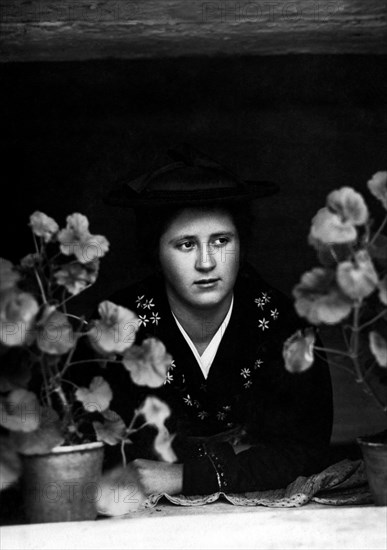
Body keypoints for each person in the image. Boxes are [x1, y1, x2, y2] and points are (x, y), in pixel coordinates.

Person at [99, 145, 333, 497]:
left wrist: (187, 475)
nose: (207, 262)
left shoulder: (287, 326)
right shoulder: (117, 323)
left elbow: (306, 450)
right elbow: (110, 454)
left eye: (221, 240)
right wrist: (243, 457)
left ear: (242, 244)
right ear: (156, 252)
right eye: (186, 245)